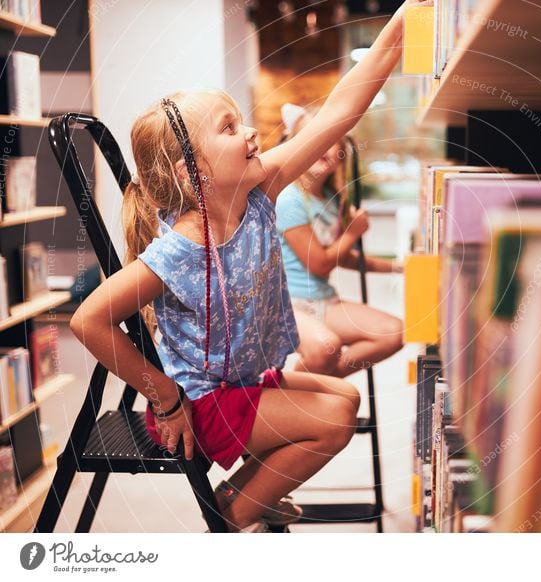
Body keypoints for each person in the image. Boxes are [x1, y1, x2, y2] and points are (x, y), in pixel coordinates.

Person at [69, 0, 424, 533]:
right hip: (205, 404)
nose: (251, 133)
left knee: (345, 395)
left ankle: (239, 496)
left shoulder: (261, 192)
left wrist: (398, 31)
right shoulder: (180, 249)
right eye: (229, 127)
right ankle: (233, 519)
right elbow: (87, 320)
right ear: (195, 176)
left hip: (244, 383)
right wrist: (164, 399)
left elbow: (334, 118)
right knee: (335, 422)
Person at [275, 104, 404, 378]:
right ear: (297, 147)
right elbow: (320, 265)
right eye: (314, 140)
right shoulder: (289, 199)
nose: (324, 148)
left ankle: (310, 384)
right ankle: (302, 388)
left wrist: (398, 267)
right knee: (327, 347)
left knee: (393, 333)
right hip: (290, 305)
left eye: (331, 141)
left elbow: (340, 257)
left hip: (325, 301)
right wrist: (353, 233)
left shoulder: (331, 199)